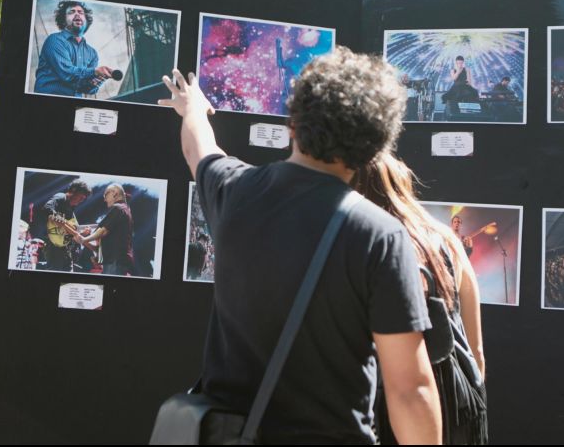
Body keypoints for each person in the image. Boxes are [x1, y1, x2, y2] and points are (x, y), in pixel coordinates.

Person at [158, 47, 442, 444]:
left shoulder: (234, 190)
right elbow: (410, 391)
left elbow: (198, 148)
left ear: (293, 122)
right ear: (376, 145)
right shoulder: (379, 236)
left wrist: (192, 107)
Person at [354, 152, 488, 445]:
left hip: (387, 405)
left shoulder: (363, 244)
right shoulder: (447, 240)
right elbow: (475, 349)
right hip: (452, 403)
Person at [34, 0, 114, 97]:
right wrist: (95, 71)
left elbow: (87, 89)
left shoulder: (92, 53)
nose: (77, 14)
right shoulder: (54, 40)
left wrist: (97, 81)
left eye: (80, 12)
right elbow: (67, 73)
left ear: (86, 21)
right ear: (63, 20)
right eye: (71, 12)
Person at [75, 183, 134, 276]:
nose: (104, 199)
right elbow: (102, 244)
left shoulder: (118, 208)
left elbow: (103, 231)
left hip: (115, 262)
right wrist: (85, 241)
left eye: (105, 195)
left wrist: (84, 239)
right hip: (114, 262)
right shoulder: (124, 209)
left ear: (114, 193)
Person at [42, 179, 91, 272]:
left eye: (83, 199)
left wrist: (81, 233)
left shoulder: (71, 208)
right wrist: (71, 229)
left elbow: (68, 231)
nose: (81, 201)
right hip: (53, 246)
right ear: (73, 190)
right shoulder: (61, 197)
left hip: (65, 247)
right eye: (81, 197)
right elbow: (47, 208)